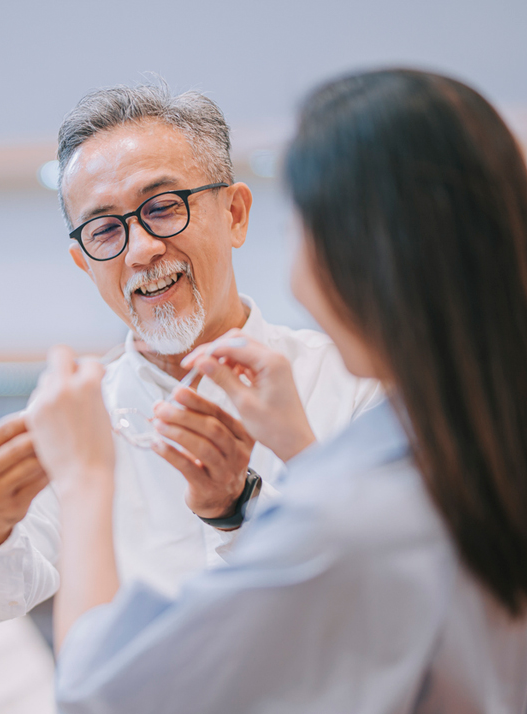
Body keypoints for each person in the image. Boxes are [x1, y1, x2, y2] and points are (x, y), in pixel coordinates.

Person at [26, 69, 527, 712]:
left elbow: (103, 693)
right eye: (105, 230)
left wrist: (83, 479)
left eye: (300, 230)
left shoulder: (362, 501)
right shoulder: (472, 445)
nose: (142, 250)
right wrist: (293, 456)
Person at [0, 82, 381, 627]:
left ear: (235, 214)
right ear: (85, 263)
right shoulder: (78, 416)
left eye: (164, 208)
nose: (142, 249)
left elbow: (388, 583)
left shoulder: (353, 382)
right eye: (105, 230)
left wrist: (242, 508)